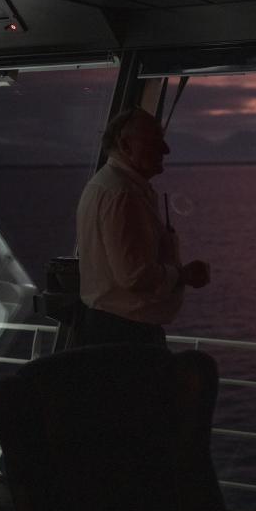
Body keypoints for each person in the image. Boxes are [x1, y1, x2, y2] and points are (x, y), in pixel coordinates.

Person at [76, 107, 210, 347]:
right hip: (125, 335)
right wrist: (183, 275)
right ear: (126, 145)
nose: (166, 150)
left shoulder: (104, 185)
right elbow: (134, 276)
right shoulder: (122, 194)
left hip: (113, 328)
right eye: (155, 141)